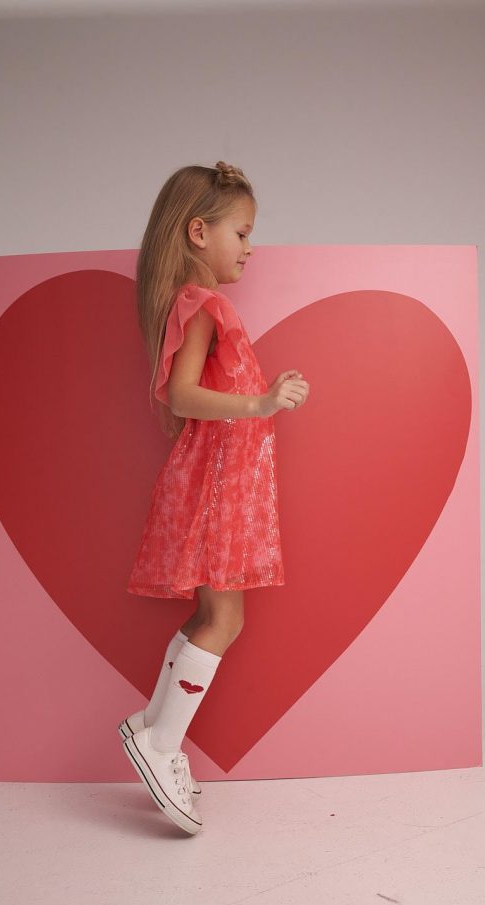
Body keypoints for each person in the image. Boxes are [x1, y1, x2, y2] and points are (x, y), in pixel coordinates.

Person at [120, 160, 309, 835]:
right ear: (199, 232)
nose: (250, 248)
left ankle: (152, 724)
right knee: (224, 619)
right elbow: (182, 394)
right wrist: (261, 402)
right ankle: (161, 744)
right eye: (242, 233)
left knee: (211, 613)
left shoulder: (199, 302)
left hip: (220, 480)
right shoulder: (202, 303)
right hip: (217, 483)